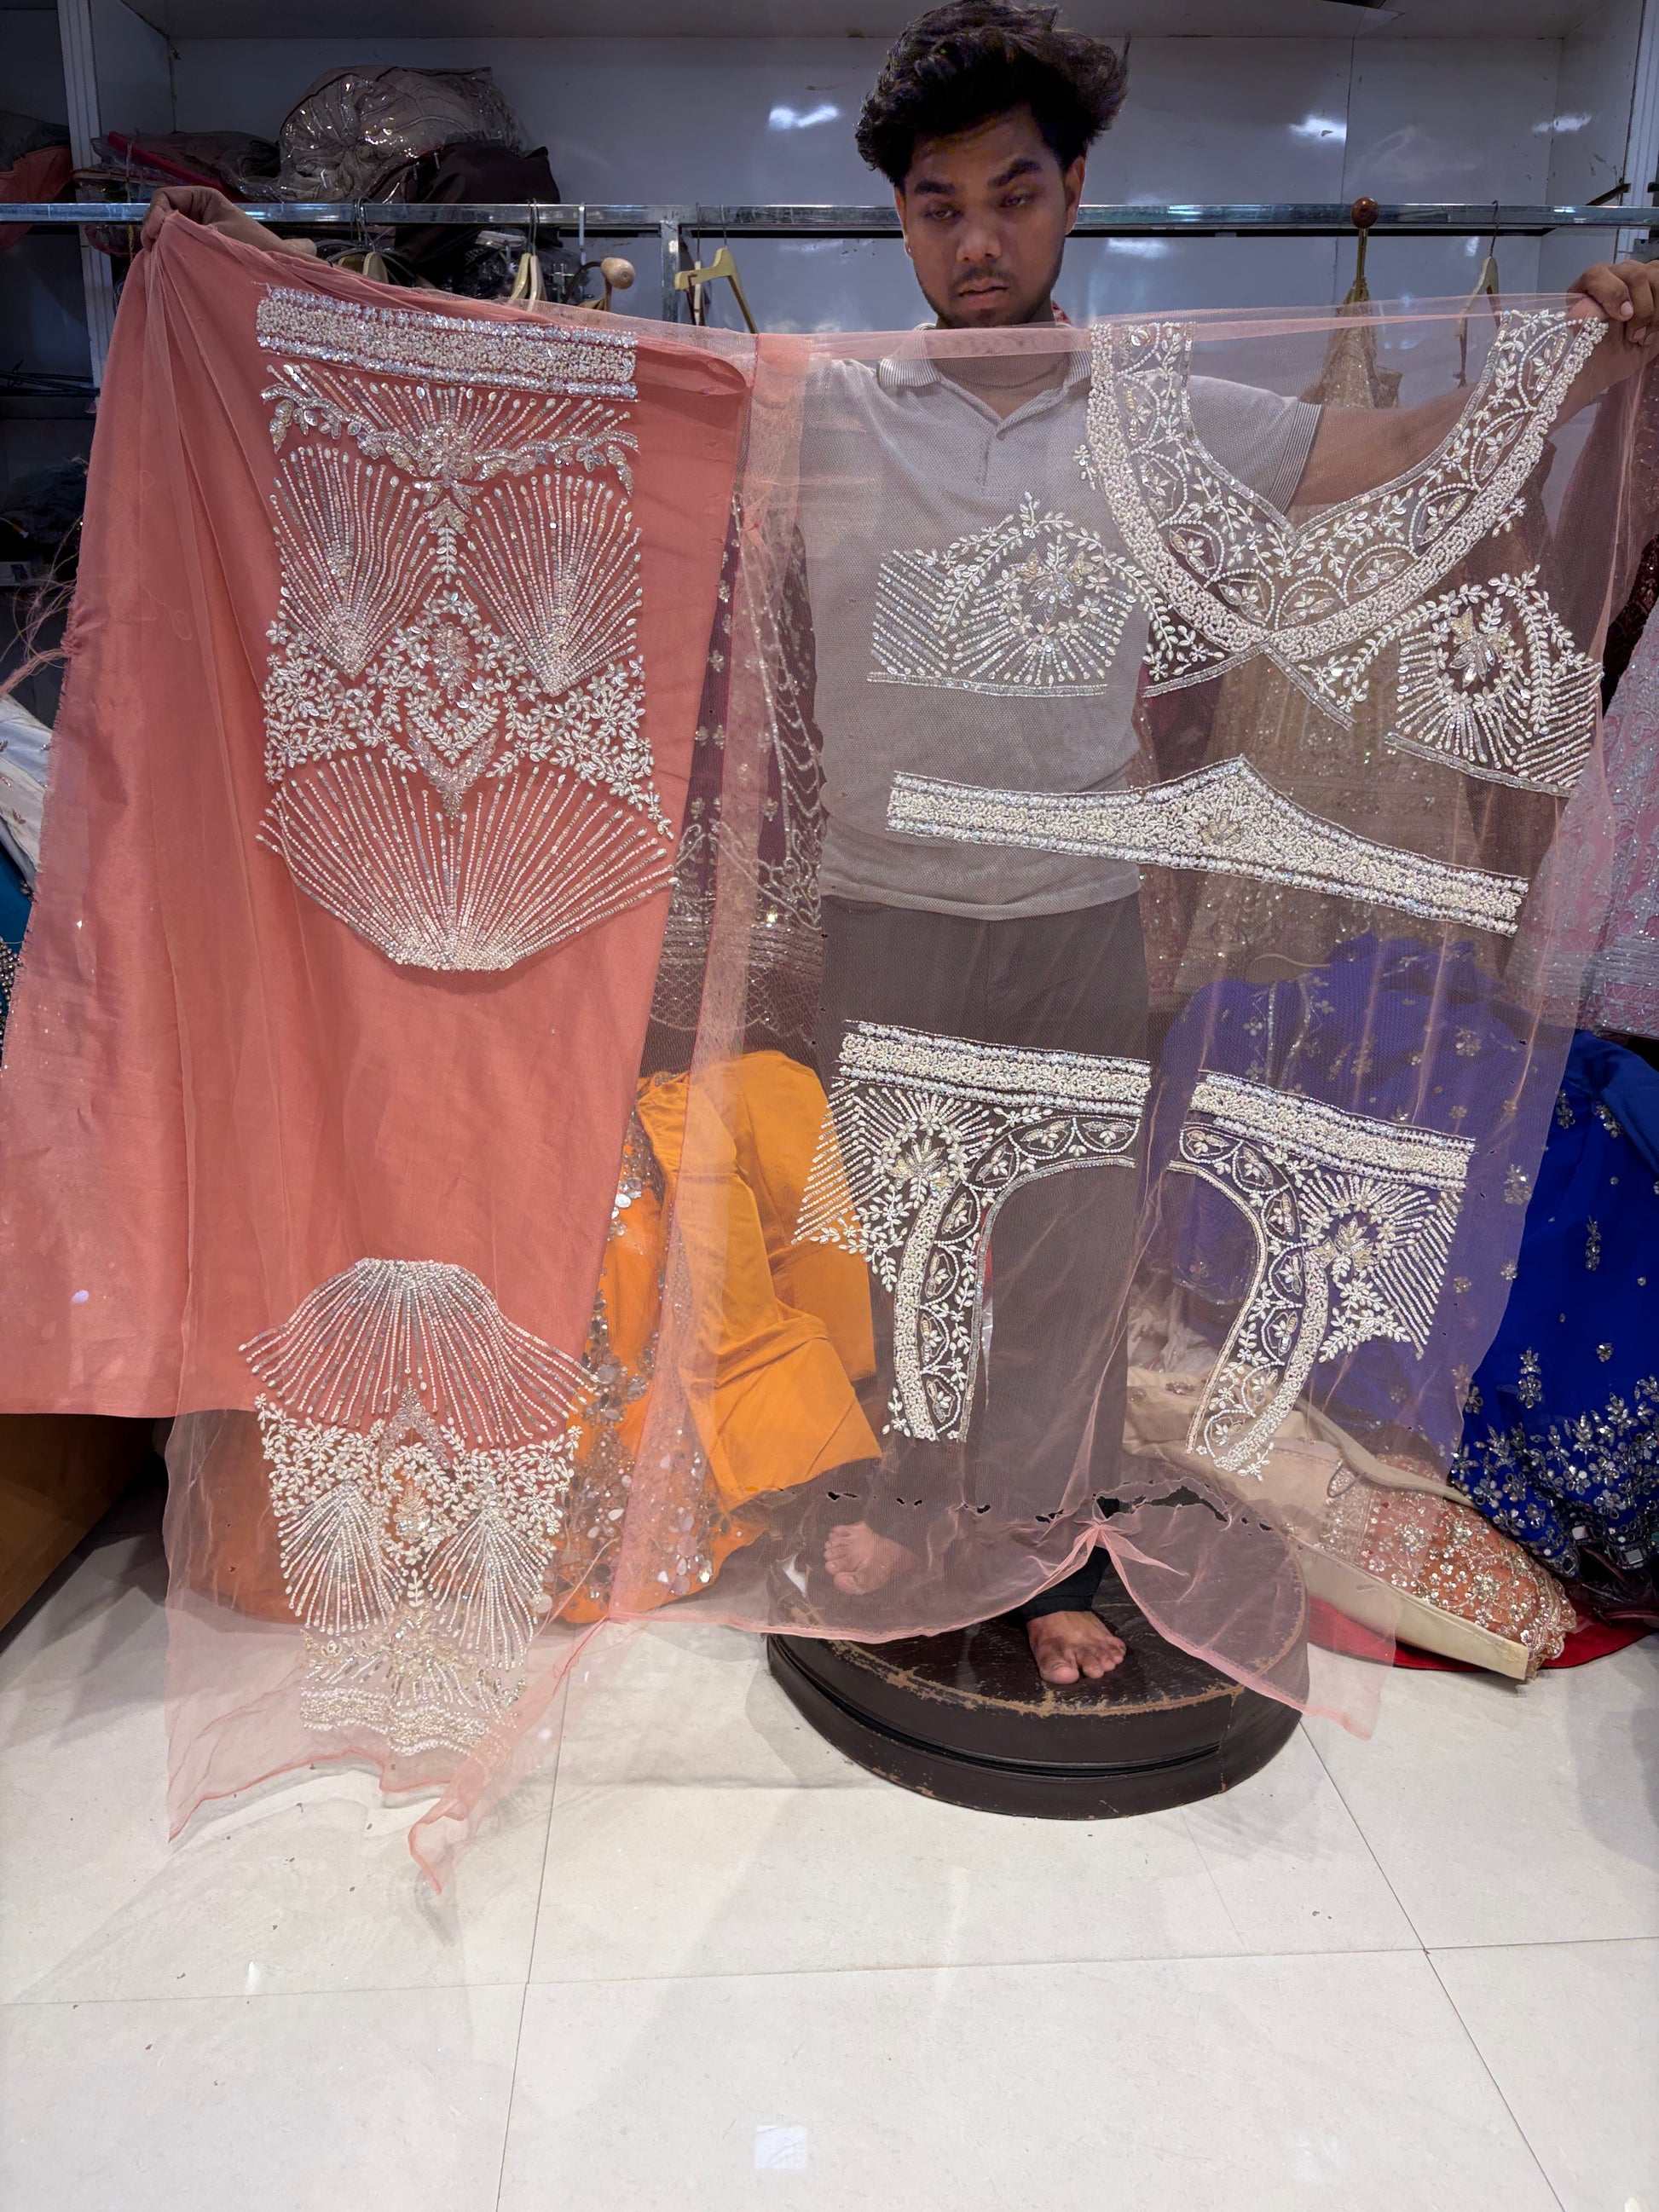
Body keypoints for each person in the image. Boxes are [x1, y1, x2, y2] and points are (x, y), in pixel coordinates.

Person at [138, 3, 1655, 1689]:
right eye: (940, 207)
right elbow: (537, 388)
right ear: (900, 219)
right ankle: (923, 1531)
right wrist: (265, 268)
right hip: (885, 917)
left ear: (1072, 195)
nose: (977, 241)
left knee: (1068, 1263)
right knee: (901, 1261)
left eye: (1013, 196)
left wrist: (1578, 367)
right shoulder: (819, 406)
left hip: (1077, 918)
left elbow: (1382, 455)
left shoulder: (1157, 421)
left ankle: (1044, 1555)